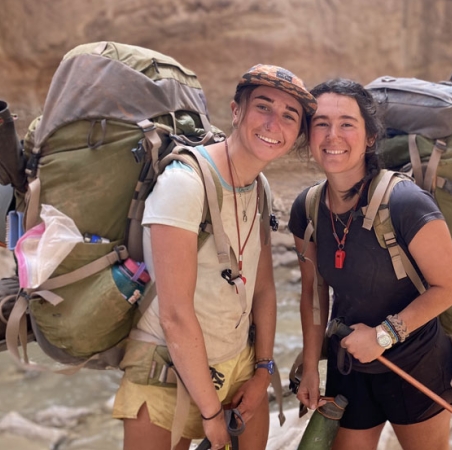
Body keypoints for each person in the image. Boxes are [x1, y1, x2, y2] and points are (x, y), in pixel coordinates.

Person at [112, 64, 317, 450]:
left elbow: (264, 290)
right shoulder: (184, 183)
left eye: (290, 116)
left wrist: (261, 370)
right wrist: (210, 413)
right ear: (236, 111)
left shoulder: (260, 187)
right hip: (166, 369)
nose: (275, 123)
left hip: (237, 364)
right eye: (263, 107)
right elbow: (174, 315)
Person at [289, 79, 452, 450]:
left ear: (370, 137)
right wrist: (309, 367)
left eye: (347, 123)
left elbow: (448, 288)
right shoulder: (306, 208)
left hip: (414, 365)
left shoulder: (406, 203)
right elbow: (313, 293)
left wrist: (383, 335)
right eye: (321, 123)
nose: (332, 135)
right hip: (349, 367)